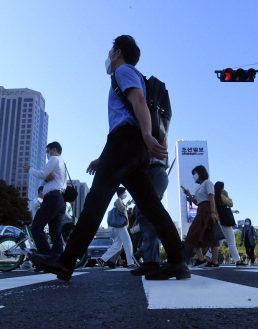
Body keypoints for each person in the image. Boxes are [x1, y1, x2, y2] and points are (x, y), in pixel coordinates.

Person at [28, 35, 188, 281]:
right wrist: (107, 157)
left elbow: (138, 102)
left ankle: (66, 262)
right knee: (151, 206)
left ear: (118, 52)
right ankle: (178, 260)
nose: (109, 54)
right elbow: (126, 118)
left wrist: (146, 135)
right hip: (129, 147)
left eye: (111, 49)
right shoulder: (130, 73)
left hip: (126, 142)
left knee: (95, 202)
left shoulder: (123, 70)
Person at [131, 139, 171, 276]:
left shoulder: (154, 124)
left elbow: (163, 145)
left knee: (145, 212)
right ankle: (151, 261)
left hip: (155, 171)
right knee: (148, 215)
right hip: (147, 173)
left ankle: (153, 261)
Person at [23, 142, 66, 259]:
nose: (48, 154)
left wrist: (30, 170)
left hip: (52, 198)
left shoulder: (54, 159)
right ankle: (57, 258)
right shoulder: (63, 163)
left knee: (36, 226)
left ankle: (45, 255)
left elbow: (42, 174)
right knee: (55, 232)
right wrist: (46, 179)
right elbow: (47, 178)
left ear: (54, 150)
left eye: (48, 151)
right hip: (60, 199)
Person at [183, 166, 219, 268]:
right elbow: (197, 202)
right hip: (200, 211)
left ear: (200, 173)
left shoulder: (208, 183)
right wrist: (189, 194)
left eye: (195, 173)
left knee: (213, 235)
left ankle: (215, 262)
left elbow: (212, 198)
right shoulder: (198, 187)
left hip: (208, 209)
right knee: (192, 234)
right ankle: (201, 259)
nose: (194, 176)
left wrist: (212, 212)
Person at [98, 187, 137, 268]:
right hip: (120, 227)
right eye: (124, 193)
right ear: (120, 193)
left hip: (118, 227)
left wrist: (127, 204)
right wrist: (127, 205)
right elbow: (122, 209)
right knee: (128, 243)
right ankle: (130, 263)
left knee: (116, 246)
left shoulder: (120, 201)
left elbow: (122, 209)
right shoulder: (118, 200)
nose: (125, 195)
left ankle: (102, 259)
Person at [213, 181, 245, 266]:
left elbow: (223, 209)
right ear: (221, 188)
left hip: (219, 221)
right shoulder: (221, 196)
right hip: (225, 222)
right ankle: (238, 260)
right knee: (231, 242)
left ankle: (207, 257)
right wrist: (227, 195)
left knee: (219, 242)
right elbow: (230, 204)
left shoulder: (214, 197)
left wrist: (234, 211)